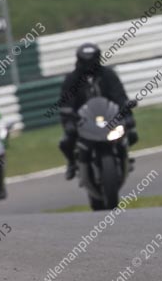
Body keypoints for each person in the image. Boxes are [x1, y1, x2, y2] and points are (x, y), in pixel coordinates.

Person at [58, 43, 138, 180]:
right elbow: (66, 101)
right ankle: (72, 163)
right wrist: (69, 116)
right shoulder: (72, 79)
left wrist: (126, 109)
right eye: (86, 61)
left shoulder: (108, 75)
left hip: (108, 117)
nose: (89, 65)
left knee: (131, 132)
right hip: (82, 120)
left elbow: (119, 95)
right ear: (79, 61)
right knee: (66, 140)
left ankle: (123, 155)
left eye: (92, 61)